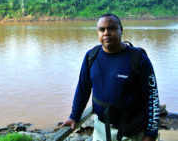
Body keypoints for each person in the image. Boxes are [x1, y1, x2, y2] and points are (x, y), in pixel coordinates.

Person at [61, 13, 160, 141]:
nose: (106, 33)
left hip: (131, 132)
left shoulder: (138, 59)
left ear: (121, 30)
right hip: (101, 130)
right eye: (101, 29)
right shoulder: (92, 56)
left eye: (111, 28)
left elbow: (152, 97)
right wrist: (74, 116)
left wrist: (150, 134)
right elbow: (83, 88)